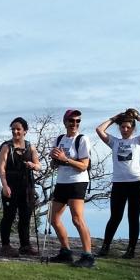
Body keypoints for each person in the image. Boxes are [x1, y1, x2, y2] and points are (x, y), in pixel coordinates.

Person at [95, 109, 140, 259]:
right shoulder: (114, 142)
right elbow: (99, 129)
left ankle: (131, 249)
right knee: (115, 217)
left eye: (128, 127)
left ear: (133, 128)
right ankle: (105, 247)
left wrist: (137, 117)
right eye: (122, 127)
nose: (125, 129)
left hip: (136, 183)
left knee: (133, 217)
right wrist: (114, 118)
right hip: (119, 184)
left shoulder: (138, 141)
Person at [48, 109, 95, 268]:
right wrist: (55, 160)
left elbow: (84, 166)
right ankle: (65, 252)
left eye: (77, 121)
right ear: (65, 122)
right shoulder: (60, 139)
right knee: (53, 219)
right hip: (62, 181)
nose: (74, 124)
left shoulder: (82, 139)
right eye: (71, 120)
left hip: (77, 182)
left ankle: (88, 256)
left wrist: (65, 159)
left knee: (77, 219)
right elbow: (54, 164)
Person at [0, 117, 41, 257]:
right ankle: (5, 246)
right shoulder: (6, 147)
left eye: (18, 129)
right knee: (8, 216)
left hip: (27, 186)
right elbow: (1, 168)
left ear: (25, 131)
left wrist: (33, 166)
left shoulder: (30, 147)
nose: (15, 131)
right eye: (13, 129)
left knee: (25, 216)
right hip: (10, 185)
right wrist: (5, 186)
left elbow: (38, 166)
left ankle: (25, 245)